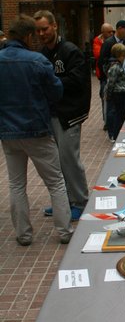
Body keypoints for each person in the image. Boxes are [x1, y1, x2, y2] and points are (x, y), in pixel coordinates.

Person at [0, 15, 73, 245]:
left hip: (8, 132)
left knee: (16, 184)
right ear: (28, 35)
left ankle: (23, 234)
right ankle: (64, 231)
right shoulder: (37, 61)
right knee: (55, 182)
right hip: (37, 129)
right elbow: (56, 92)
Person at [34, 10, 91, 221]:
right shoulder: (42, 53)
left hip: (69, 114)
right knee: (57, 161)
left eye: (45, 29)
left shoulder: (70, 51)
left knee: (69, 159)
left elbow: (78, 81)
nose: (41, 34)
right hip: (52, 113)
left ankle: (80, 202)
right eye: (38, 30)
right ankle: (63, 201)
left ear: (54, 26)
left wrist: (51, 84)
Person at [98, 19, 125, 108]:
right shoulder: (108, 43)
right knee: (112, 108)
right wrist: (110, 75)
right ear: (120, 29)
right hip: (113, 81)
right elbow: (102, 62)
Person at [105, 43, 125, 141]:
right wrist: (108, 95)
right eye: (123, 56)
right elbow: (111, 82)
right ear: (118, 55)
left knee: (120, 114)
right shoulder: (115, 66)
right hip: (118, 93)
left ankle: (118, 134)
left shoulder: (116, 65)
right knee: (118, 114)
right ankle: (116, 135)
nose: (124, 58)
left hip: (120, 92)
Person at [92, 23, 114, 130]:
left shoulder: (112, 40)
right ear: (103, 32)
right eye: (109, 32)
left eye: (112, 32)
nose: (111, 34)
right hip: (103, 74)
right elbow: (98, 55)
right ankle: (106, 121)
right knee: (104, 97)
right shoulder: (97, 41)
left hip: (112, 74)